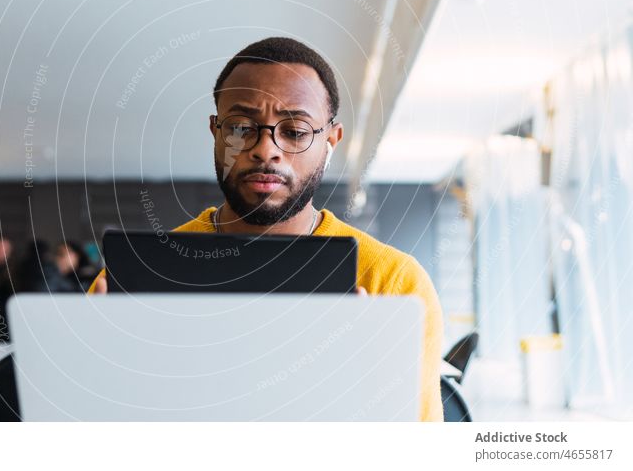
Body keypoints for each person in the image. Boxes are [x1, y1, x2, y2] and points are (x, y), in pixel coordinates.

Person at [87, 37, 444, 422]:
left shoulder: (392, 284)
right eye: (241, 127)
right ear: (216, 133)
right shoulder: (136, 278)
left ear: (331, 140)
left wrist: (366, 387)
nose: (265, 149)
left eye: (294, 131)